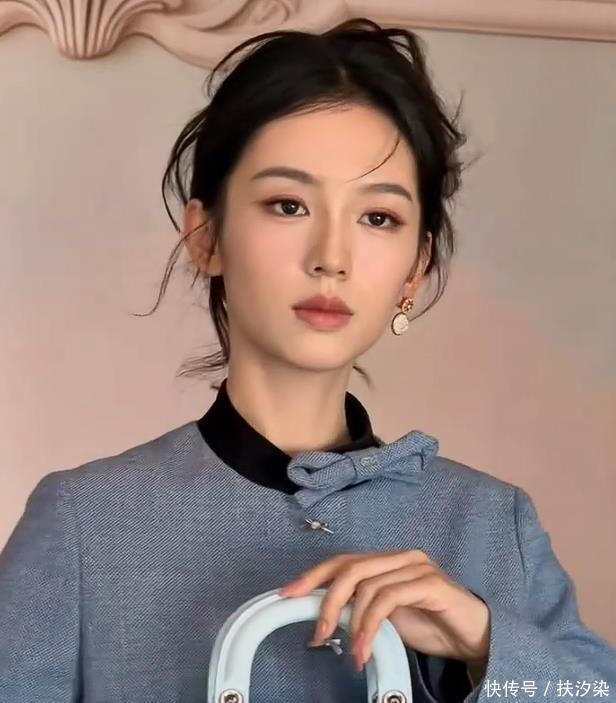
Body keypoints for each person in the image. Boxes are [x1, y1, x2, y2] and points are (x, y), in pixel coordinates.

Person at [0, 17, 614, 703]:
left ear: (416, 269)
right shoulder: (84, 522)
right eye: (288, 204)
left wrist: (482, 639)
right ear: (206, 237)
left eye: (378, 217)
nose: (332, 257)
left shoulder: (492, 522)